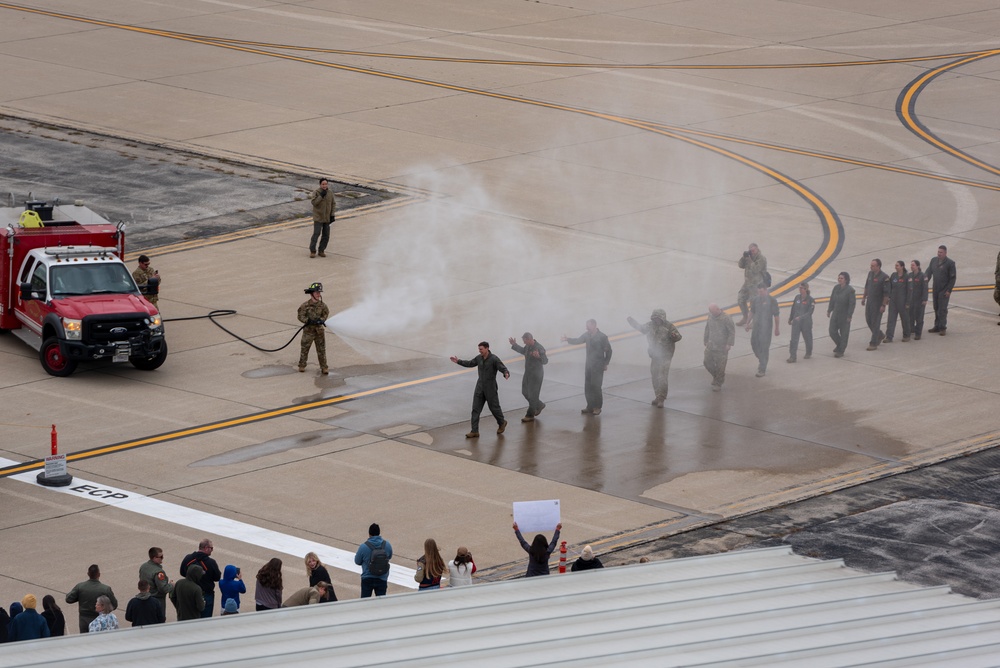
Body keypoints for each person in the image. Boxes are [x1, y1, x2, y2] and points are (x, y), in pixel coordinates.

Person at [450, 341, 510, 438]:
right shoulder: (479, 358)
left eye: (481, 349)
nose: (479, 351)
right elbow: (470, 363)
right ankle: (474, 431)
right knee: (475, 409)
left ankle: (502, 422)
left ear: (487, 348)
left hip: (490, 388)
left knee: (494, 408)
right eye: (479, 349)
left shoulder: (494, 359)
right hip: (480, 388)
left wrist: (506, 373)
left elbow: (502, 368)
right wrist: (458, 361)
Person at [627, 309, 682, 407]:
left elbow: (678, 337)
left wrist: (674, 336)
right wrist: (632, 321)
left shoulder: (669, 326)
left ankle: (662, 398)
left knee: (662, 377)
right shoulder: (650, 325)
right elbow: (641, 328)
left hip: (665, 356)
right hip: (655, 356)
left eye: (658, 318)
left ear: (662, 317)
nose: (656, 320)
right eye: (655, 318)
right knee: (655, 376)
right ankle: (657, 396)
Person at [561, 320, 613, 415]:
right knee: (588, 387)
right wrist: (568, 339)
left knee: (596, 386)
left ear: (594, 325)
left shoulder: (602, 337)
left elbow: (609, 351)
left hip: (598, 366)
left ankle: (597, 407)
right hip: (588, 365)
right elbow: (578, 340)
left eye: (588, 326)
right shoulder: (587, 335)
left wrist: (606, 363)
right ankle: (590, 406)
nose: (586, 328)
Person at [66, 564, 117, 634]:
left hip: (84, 619)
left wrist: (80, 597)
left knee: (85, 640)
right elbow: (114, 605)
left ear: (88, 574)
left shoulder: (80, 587)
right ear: (99, 574)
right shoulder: (105, 589)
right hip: (99, 618)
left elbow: (68, 599)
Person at [508, 332, 548, 422]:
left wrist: (538, 357)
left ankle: (530, 415)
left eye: (525, 341)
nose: (524, 343)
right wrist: (514, 345)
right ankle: (539, 404)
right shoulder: (528, 346)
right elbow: (523, 351)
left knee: (533, 395)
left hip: (536, 374)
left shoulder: (539, 348)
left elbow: (545, 361)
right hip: (528, 373)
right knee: (525, 392)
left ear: (530, 339)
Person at [179, 539, 221, 619]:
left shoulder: (188, 558)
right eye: (211, 548)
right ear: (206, 548)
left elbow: (182, 572)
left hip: (189, 592)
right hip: (206, 594)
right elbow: (217, 577)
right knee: (205, 620)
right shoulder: (211, 562)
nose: (212, 550)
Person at [745, 284, 780, 377]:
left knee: (764, 348)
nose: (760, 293)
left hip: (766, 328)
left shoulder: (772, 300)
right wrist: (747, 322)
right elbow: (752, 312)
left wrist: (777, 328)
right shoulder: (756, 300)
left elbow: (776, 315)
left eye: (761, 291)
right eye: (758, 292)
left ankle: (762, 369)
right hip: (756, 327)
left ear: (766, 290)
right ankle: (762, 360)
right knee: (754, 344)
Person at [297, 282, 330, 374]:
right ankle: (302, 365)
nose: (319, 295)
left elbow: (326, 313)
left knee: (321, 350)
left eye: (319, 293)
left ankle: (324, 367)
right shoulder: (305, 306)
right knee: (305, 349)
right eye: (316, 293)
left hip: (319, 331)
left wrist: (321, 320)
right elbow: (300, 316)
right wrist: (307, 321)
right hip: (308, 331)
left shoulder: (323, 306)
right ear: (312, 294)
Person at [354, 523, 393, 598]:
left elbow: (357, 561)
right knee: (381, 604)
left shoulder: (363, 546)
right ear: (379, 533)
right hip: (382, 577)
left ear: (369, 534)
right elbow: (389, 556)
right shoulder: (387, 545)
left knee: (365, 602)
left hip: (367, 578)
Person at [925, 245, 957, 335]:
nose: (939, 254)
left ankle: (943, 327)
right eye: (938, 252)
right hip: (935, 288)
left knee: (942, 309)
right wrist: (924, 282)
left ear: (945, 253)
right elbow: (928, 272)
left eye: (941, 252)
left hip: (944, 289)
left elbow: (953, 278)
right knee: (936, 307)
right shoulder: (933, 260)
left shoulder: (950, 263)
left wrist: (949, 290)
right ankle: (937, 326)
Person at [703, 304, 735, 391]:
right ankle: (717, 377)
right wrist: (705, 339)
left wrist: (729, 344)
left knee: (721, 366)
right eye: (711, 312)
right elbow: (707, 328)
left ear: (718, 309)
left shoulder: (726, 318)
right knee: (707, 362)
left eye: (714, 312)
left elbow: (731, 331)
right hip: (711, 344)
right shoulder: (710, 316)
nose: (713, 314)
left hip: (722, 346)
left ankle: (718, 383)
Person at [862, 259, 890, 350]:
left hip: (878, 303)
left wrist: (883, 305)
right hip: (870, 301)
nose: (871, 267)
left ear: (878, 266)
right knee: (868, 320)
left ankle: (873, 343)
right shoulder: (870, 274)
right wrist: (863, 297)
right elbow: (867, 286)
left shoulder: (884, 277)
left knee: (876, 322)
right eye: (871, 265)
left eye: (873, 266)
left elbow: (886, 293)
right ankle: (880, 334)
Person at [736, 243, 767, 326]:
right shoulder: (749, 256)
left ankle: (755, 321)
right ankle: (745, 317)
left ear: (757, 249)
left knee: (754, 302)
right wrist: (744, 258)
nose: (752, 252)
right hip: (747, 283)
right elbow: (740, 265)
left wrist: (749, 260)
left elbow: (756, 269)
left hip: (756, 284)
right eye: (751, 250)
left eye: (753, 250)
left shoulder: (761, 258)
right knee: (740, 299)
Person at [828, 272, 856, 358]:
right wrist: (829, 310)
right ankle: (839, 344)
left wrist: (849, 315)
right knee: (832, 331)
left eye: (841, 278)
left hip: (844, 315)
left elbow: (852, 304)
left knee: (844, 333)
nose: (839, 279)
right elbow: (832, 299)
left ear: (846, 280)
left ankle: (841, 350)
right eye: (839, 278)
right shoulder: (836, 288)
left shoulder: (850, 290)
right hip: (836, 313)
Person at [884, 261, 912, 343]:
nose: (896, 267)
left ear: (902, 267)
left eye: (897, 265)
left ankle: (906, 335)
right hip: (893, 301)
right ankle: (889, 337)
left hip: (902, 302)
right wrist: (888, 297)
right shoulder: (893, 275)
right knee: (891, 319)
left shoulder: (907, 277)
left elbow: (910, 290)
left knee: (905, 319)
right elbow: (890, 286)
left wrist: (907, 302)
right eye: (895, 265)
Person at [139, 546, 173, 613]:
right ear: (154, 558)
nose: (162, 558)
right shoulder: (159, 572)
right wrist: (171, 585)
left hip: (144, 597)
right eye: (161, 557)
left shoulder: (143, 566)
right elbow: (163, 588)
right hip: (157, 599)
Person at [787, 283, 815, 362]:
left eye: (801, 288)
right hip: (796, 322)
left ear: (805, 289)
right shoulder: (797, 297)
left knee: (807, 338)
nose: (800, 289)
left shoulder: (811, 300)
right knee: (794, 339)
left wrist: (801, 317)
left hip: (806, 323)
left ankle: (808, 352)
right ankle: (792, 356)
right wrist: (790, 318)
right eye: (799, 288)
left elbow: (810, 312)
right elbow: (793, 309)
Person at [308, 178, 336, 258]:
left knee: (326, 235)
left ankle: (321, 250)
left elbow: (333, 204)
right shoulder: (316, 192)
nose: (324, 186)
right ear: (320, 185)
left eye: (326, 184)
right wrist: (321, 196)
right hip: (318, 217)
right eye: (323, 184)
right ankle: (312, 251)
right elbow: (314, 203)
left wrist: (332, 215)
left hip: (327, 218)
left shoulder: (330, 193)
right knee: (316, 234)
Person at [909, 259, 928, 340]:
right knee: (911, 316)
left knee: (919, 317)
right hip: (911, 300)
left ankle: (918, 334)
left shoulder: (923, 276)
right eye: (911, 265)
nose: (911, 267)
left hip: (919, 300)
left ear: (918, 266)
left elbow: (925, 288)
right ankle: (911, 329)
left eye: (913, 265)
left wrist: (924, 299)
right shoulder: (909, 275)